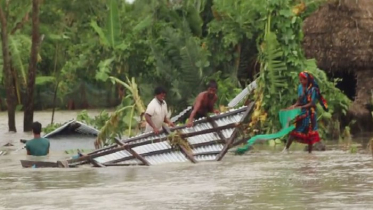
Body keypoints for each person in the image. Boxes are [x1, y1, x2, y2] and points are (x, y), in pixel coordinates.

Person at [283, 71, 328, 153]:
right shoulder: (300, 87)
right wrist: (294, 106)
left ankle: (309, 153)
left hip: (310, 113)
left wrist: (301, 107)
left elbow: (312, 103)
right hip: (302, 113)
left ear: (308, 80)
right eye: (300, 80)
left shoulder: (313, 89)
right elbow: (299, 100)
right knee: (294, 131)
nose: (301, 82)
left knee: (310, 135)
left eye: (303, 80)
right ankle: (286, 149)